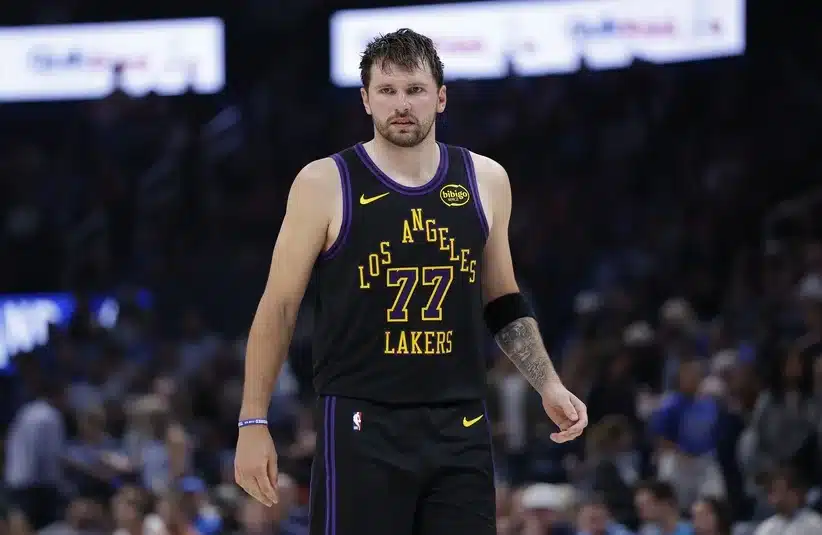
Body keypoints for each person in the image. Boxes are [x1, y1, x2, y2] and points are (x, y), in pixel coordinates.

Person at [233, 28, 588, 535]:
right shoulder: (324, 183)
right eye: (388, 91)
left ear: (440, 97)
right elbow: (279, 307)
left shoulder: (485, 179)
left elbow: (504, 300)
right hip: (361, 423)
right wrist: (252, 421)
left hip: (460, 422)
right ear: (366, 100)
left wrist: (548, 384)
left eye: (415, 90)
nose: (402, 104)